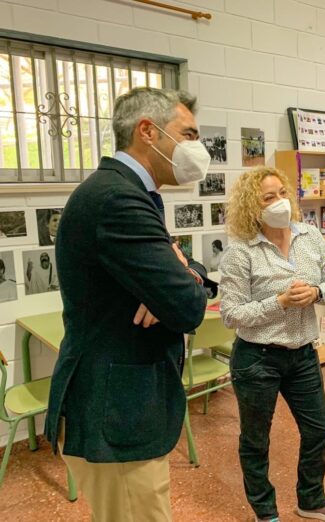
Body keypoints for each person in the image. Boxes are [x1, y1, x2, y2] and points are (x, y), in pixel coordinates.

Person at [44, 87, 212, 522]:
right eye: (188, 134)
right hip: (115, 414)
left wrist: (179, 276)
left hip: (122, 405)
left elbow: (184, 271)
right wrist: (174, 286)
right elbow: (189, 307)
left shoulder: (129, 193)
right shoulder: (118, 198)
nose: (198, 147)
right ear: (148, 132)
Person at [219, 167, 325, 522]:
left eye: (281, 193)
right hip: (257, 359)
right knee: (256, 439)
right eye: (268, 197)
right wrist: (278, 302)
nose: (279, 202)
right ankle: (265, 511)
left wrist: (317, 292)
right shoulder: (240, 252)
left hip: (304, 354)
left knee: (319, 430)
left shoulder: (310, 236)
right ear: (252, 207)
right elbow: (231, 314)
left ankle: (311, 500)